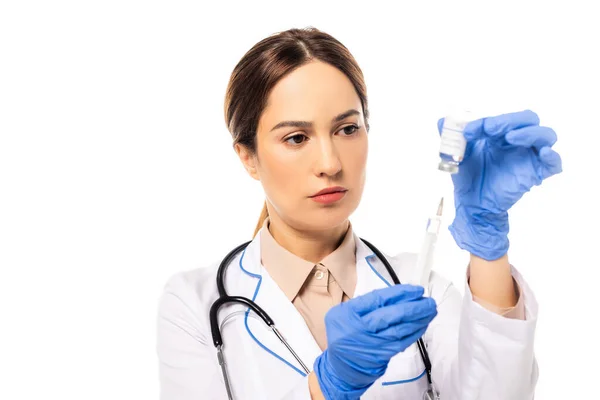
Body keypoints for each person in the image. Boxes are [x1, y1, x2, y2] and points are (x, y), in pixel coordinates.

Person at [156, 27, 562, 400]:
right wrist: (327, 383)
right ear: (248, 157)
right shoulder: (194, 303)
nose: (330, 163)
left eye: (347, 129)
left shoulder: (419, 286)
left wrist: (487, 243)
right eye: (296, 138)